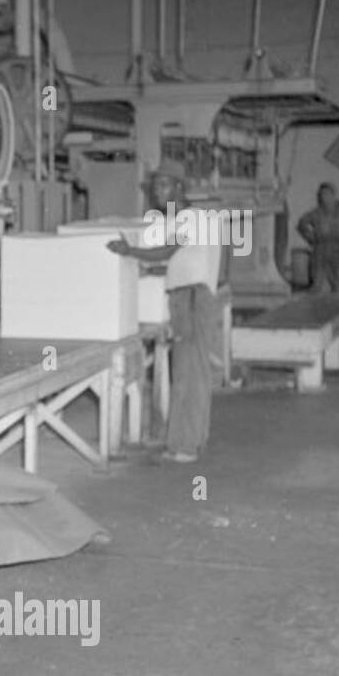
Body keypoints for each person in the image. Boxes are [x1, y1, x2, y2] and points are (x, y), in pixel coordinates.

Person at [106, 160, 221, 463]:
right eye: (155, 185)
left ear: (180, 188)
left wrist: (130, 251)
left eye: (163, 185)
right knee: (193, 370)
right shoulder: (191, 218)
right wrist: (149, 269)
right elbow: (179, 260)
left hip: (192, 298)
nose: (157, 192)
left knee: (187, 372)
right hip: (191, 295)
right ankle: (193, 439)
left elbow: (169, 251)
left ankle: (183, 447)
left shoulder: (190, 217)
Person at [295, 182, 339, 293]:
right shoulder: (316, 213)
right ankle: (317, 307)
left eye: (327, 194)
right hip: (320, 250)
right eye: (322, 194)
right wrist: (310, 237)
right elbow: (301, 224)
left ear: (333, 195)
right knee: (318, 286)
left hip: (337, 250)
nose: (324, 197)